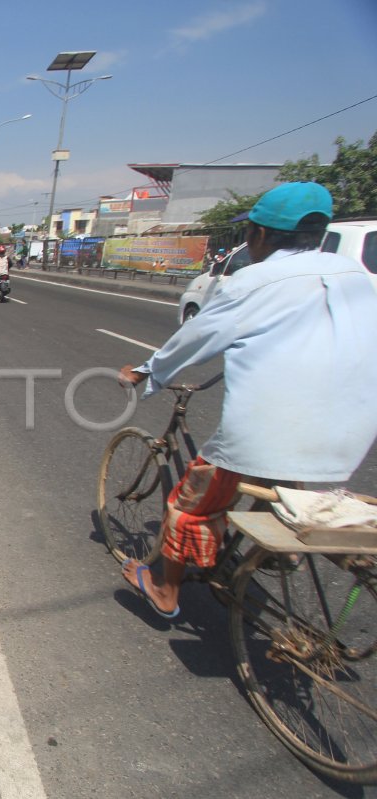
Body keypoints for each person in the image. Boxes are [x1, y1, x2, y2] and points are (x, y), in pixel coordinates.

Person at [117, 182, 377, 619]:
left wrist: (148, 369)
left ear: (259, 234)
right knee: (285, 475)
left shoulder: (254, 281)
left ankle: (165, 590)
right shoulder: (358, 276)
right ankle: (278, 543)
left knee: (190, 502)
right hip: (354, 431)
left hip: (270, 429)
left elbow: (196, 337)